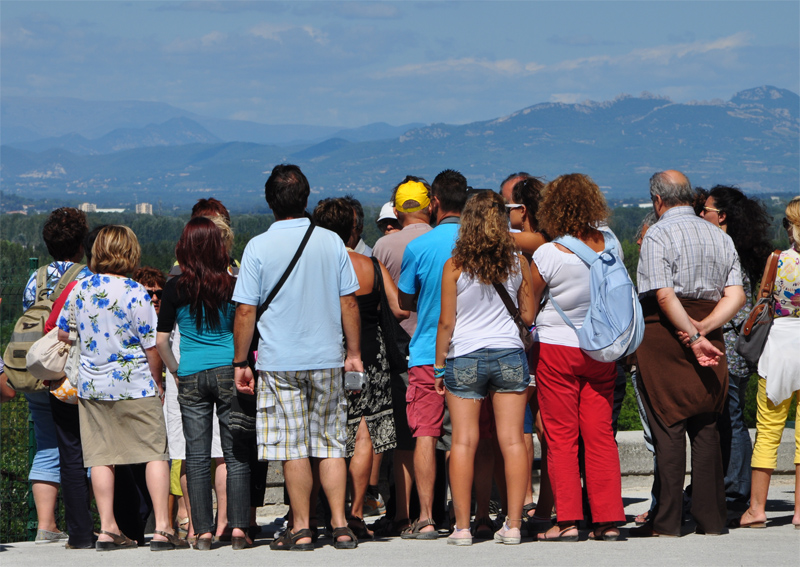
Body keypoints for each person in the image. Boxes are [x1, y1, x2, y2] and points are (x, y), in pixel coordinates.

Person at [232, 164, 362, 550]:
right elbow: (349, 302)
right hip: (327, 356)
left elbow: (245, 311)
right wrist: (353, 353)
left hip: (279, 361)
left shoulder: (257, 247)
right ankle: (340, 524)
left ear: (270, 202)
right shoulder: (331, 242)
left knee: (292, 447)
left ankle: (302, 527)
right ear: (306, 198)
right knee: (331, 443)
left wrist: (241, 362)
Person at [57, 225, 188, 551]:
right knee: (154, 453)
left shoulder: (79, 289)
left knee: (101, 457)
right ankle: (162, 528)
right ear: (128, 252)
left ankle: (108, 529)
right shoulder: (134, 291)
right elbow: (151, 345)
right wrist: (157, 382)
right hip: (135, 384)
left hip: (93, 386)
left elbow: (63, 333)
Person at [631, 170, 745, 538]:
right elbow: (737, 295)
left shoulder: (658, 234)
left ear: (657, 200)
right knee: (707, 426)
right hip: (712, 334)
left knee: (668, 427)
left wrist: (693, 335)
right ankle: (711, 519)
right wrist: (706, 328)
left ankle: (667, 520)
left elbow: (663, 295)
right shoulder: (719, 235)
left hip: (665, 337)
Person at [434, 191, 535, 546]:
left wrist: (439, 366)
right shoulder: (518, 263)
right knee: (513, 440)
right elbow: (528, 316)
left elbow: (446, 322)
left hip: (464, 355)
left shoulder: (455, 265)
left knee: (463, 441)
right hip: (509, 353)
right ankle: (513, 524)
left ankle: (462, 527)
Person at [531, 173, 626, 541]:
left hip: (558, 348)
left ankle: (568, 520)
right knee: (600, 436)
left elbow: (529, 306)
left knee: (561, 437)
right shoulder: (611, 245)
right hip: (601, 348)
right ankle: (608, 520)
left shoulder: (548, 253)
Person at [313, 197, 409, 539]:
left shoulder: (315, 267)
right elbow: (399, 309)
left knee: (327, 432)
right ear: (351, 230)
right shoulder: (369, 264)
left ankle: (327, 511)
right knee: (364, 433)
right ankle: (355, 512)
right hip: (370, 355)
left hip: (327, 354)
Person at [156, 217, 251, 550]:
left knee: (195, 456)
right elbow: (244, 324)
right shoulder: (233, 284)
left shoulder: (175, 287)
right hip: (228, 369)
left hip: (191, 373)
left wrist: (176, 370)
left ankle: (203, 532)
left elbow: (162, 340)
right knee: (235, 452)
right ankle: (238, 529)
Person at [397, 169, 469, 539]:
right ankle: (463, 513)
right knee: (463, 436)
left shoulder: (418, 247)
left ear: (435, 203)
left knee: (425, 433)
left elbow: (405, 302)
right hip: (468, 349)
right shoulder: (477, 243)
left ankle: (425, 517)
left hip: (427, 351)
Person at [699, 185, 773, 509]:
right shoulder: (739, 248)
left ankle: (735, 491)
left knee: (731, 419)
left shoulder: (727, 250)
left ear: (722, 216)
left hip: (729, 348)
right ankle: (732, 486)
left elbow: (738, 304)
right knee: (732, 416)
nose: (701, 214)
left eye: (706, 210)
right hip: (737, 349)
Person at [22, 207, 91, 544]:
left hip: (37, 368)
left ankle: (45, 525)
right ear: (81, 243)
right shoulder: (87, 277)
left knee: (47, 444)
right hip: (69, 375)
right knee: (84, 448)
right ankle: (88, 521)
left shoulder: (34, 279)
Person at [370, 177, 433, 535]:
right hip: (448, 345)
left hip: (402, 350)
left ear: (396, 211)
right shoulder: (444, 240)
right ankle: (442, 509)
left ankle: (403, 513)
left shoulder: (383, 246)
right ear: (430, 205)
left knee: (408, 438)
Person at [737, 196, 800, 529]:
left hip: (779, 347)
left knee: (768, 430)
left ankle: (757, 509)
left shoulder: (778, 260)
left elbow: (764, 300)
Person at [505, 175, 552, 528]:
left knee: (529, 425)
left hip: (535, 340)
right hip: (545, 341)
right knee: (541, 426)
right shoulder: (554, 239)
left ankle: (528, 500)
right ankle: (547, 499)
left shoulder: (537, 241)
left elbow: (528, 306)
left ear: (523, 210)